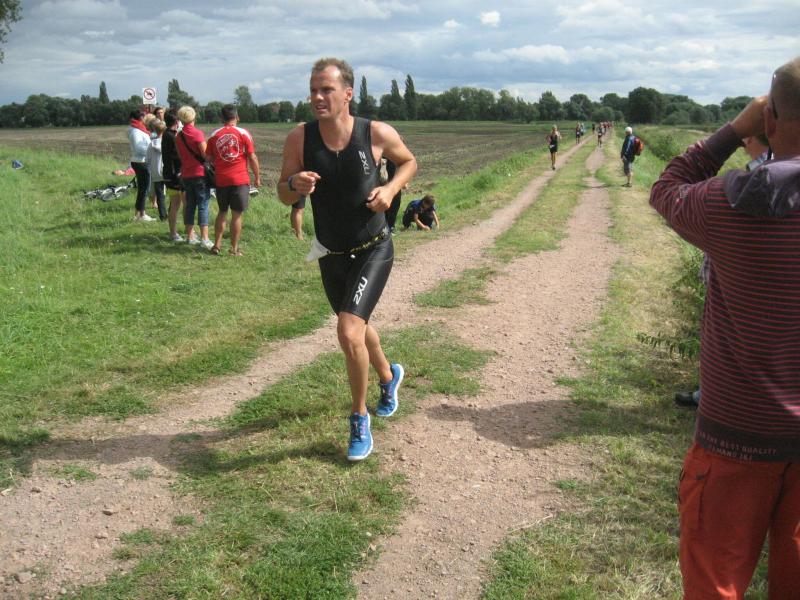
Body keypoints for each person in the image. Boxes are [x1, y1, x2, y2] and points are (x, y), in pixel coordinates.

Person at [650, 57, 800, 599]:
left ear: (771, 117)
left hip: (736, 435)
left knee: (717, 582)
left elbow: (667, 188)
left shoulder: (734, 201)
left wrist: (735, 131)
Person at [278, 57, 417, 461]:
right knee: (357, 325)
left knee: (348, 330)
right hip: (331, 253)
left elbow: (409, 162)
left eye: (327, 89)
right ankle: (388, 376)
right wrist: (294, 183)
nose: (318, 97)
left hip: (373, 248)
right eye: (313, 90)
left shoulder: (374, 133)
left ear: (348, 93)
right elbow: (283, 194)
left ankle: (358, 418)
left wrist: (390, 189)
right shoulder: (299, 139)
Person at [205, 105, 261, 256]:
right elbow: (252, 157)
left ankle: (217, 245)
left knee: (222, 212)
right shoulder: (243, 133)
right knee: (236, 214)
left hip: (221, 180)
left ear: (222, 118)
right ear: (237, 117)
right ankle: (234, 249)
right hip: (239, 180)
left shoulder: (214, 135)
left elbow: (208, 157)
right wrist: (257, 177)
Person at [176, 106, 213, 249]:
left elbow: (181, 156)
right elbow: (205, 155)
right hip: (199, 174)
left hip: (186, 174)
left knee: (190, 205)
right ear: (193, 117)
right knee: (203, 205)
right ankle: (205, 238)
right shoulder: (197, 134)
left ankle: (190, 236)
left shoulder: (179, 136)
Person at [127, 110, 155, 222]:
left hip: (141, 161)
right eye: (144, 117)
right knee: (144, 189)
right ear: (139, 118)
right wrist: (151, 149)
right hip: (141, 162)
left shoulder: (139, 129)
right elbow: (138, 148)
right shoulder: (135, 131)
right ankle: (142, 214)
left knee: (143, 189)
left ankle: (138, 214)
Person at [162, 111, 185, 242]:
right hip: (174, 174)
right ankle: (173, 233)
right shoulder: (172, 136)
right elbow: (178, 156)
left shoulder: (167, 134)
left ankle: (176, 232)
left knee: (175, 204)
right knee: (176, 204)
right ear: (177, 122)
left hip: (169, 173)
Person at [145, 119, 167, 222]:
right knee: (173, 194)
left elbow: (147, 159)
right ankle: (172, 213)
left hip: (156, 172)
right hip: (167, 171)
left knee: (159, 195)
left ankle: (163, 216)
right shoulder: (167, 143)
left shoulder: (151, 144)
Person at [382, 158, 404, 233]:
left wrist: (404, 181)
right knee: (386, 206)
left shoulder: (394, 156)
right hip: (385, 184)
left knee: (395, 205)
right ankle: (385, 227)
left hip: (395, 184)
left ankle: (391, 227)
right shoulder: (383, 155)